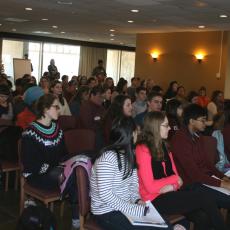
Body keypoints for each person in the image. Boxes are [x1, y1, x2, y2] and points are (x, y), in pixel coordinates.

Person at [136, 111, 227, 230]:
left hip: (171, 193)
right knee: (204, 195)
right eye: (165, 125)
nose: (169, 128)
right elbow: (151, 187)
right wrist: (173, 181)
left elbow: (179, 180)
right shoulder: (142, 149)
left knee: (202, 216)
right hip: (154, 200)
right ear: (155, 127)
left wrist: (172, 186)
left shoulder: (165, 146)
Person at [90, 117, 173, 230]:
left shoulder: (129, 156)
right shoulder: (108, 158)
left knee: (166, 225)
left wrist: (137, 200)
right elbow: (105, 195)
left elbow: (134, 186)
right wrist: (133, 209)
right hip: (106, 212)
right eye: (136, 131)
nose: (138, 133)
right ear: (131, 134)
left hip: (125, 207)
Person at [21, 94, 80, 229]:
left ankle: (77, 217)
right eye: (56, 107)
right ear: (45, 109)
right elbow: (31, 164)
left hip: (55, 171)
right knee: (72, 177)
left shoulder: (57, 129)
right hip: (37, 176)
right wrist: (56, 166)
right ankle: (77, 218)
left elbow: (64, 154)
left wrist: (65, 164)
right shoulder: (30, 132)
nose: (59, 110)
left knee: (78, 172)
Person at [171, 104, 230, 212]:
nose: (205, 123)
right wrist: (223, 184)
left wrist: (223, 177)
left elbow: (208, 164)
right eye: (202, 120)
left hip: (204, 179)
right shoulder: (179, 140)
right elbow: (195, 175)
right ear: (192, 121)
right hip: (192, 184)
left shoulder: (197, 136)